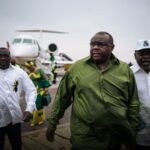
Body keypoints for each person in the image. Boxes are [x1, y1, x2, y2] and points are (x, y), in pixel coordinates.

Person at [45, 31, 140, 150]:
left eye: (101, 44)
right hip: (84, 136)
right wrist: (52, 123)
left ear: (112, 47)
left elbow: (133, 103)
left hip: (115, 136)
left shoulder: (125, 70)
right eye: (92, 44)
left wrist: (132, 131)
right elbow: (62, 98)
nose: (95, 47)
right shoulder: (76, 68)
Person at [0, 47, 37, 150]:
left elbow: (31, 90)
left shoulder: (19, 73)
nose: (2, 58)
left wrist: (29, 109)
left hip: (14, 119)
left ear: (10, 57)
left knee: (17, 145)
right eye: (0, 56)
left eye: (5, 56)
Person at [130, 39, 150, 150]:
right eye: (142, 53)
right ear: (135, 55)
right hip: (137, 136)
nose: (146, 57)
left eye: (149, 53)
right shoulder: (128, 74)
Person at [24, 61, 51, 126]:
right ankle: (34, 120)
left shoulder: (39, 70)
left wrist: (46, 87)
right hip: (31, 91)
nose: (29, 69)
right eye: (28, 68)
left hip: (40, 91)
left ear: (33, 65)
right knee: (31, 105)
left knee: (38, 105)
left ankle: (40, 119)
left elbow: (45, 78)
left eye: (30, 67)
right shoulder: (28, 72)